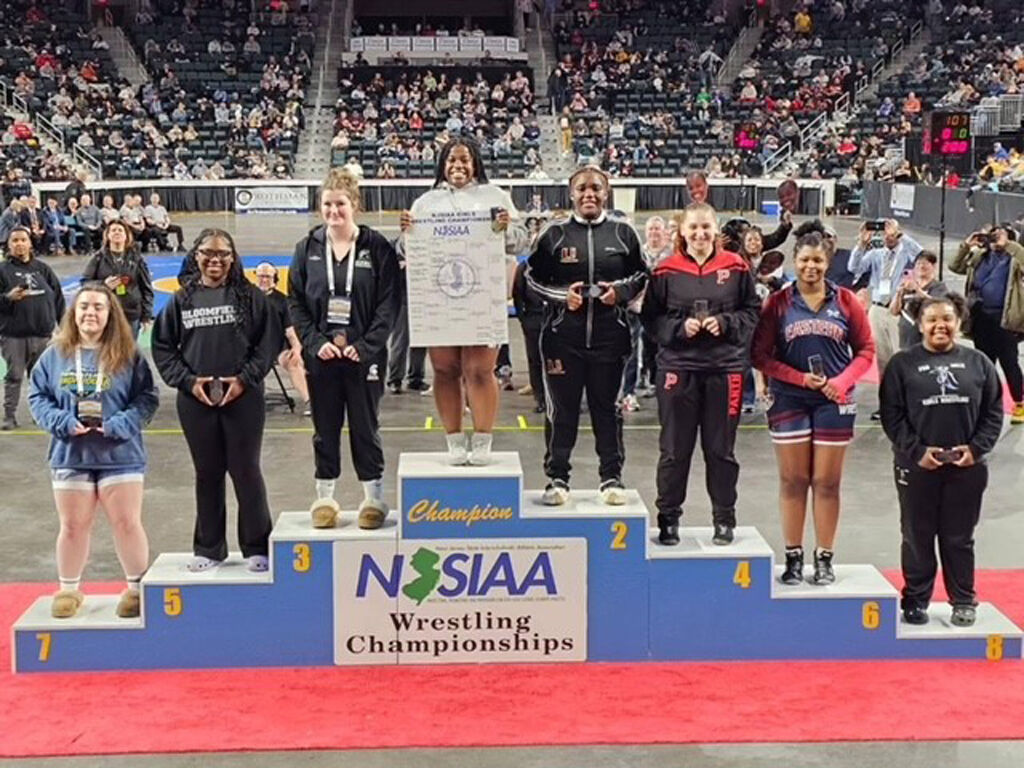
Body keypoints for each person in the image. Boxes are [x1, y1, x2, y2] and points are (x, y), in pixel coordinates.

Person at [28, 283, 159, 619]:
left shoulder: (128, 354)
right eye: (84, 306)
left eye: (99, 307)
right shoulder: (54, 354)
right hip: (71, 452)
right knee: (72, 525)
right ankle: (69, 590)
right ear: (74, 311)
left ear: (109, 313)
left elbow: (146, 398)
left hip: (120, 453)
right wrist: (60, 420)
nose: (90, 312)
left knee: (127, 523)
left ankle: (135, 589)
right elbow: (37, 397)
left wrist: (120, 424)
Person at [752, 232, 876, 583]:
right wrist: (797, 378)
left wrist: (842, 382)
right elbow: (759, 356)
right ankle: (793, 555)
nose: (810, 266)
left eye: (818, 260)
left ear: (828, 262)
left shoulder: (847, 301)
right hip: (790, 398)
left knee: (826, 482)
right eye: (804, 259)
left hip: (833, 401)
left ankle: (824, 557)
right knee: (793, 480)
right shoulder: (777, 303)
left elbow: (866, 350)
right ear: (795, 260)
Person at [152, 228, 276, 573]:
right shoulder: (181, 299)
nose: (215, 259)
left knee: (246, 470)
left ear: (233, 259)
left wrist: (244, 380)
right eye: (208, 252)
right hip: (195, 401)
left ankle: (257, 545)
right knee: (207, 473)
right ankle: (208, 548)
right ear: (196, 256)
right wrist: (189, 383)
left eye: (222, 254)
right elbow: (163, 348)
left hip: (243, 399)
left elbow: (266, 347)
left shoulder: (251, 297)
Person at [400, 138, 528, 465]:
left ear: (476, 164)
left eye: (465, 160)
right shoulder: (426, 202)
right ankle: (454, 439)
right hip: (438, 296)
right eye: (451, 160)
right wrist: (406, 234)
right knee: (444, 369)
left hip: (482, 295)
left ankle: (483, 438)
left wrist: (506, 228)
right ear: (442, 164)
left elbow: (520, 240)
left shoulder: (496, 196)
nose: (458, 166)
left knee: (480, 369)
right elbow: (406, 249)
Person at [880, 294, 1004, 626]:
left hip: (967, 468)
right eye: (932, 319)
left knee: (959, 536)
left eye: (947, 319)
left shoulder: (979, 363)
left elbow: (993, 413)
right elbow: (892, 416)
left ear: (959, 322)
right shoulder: (901, 364)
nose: (940, 325)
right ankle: (916, 599)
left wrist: (975, 450)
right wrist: (917, 451)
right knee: (917, 534)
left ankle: (963, 599)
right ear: (920, 324)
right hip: (916, 466)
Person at [527, 166, 648, 506]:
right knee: (561, 412)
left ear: (606, 192)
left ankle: (611, 477)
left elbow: (641, 274)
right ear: (572, 194)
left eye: (595, 188)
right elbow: (531, 281)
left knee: (607, 410)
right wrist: (561, 297)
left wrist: (620, 293)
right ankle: (557, 478)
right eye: (582, 189)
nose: (589, 194)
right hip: (561, 341)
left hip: (611, 341)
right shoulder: (554, 235)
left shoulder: (624, 233)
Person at [641, 203, 760, 546]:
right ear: (682, 231)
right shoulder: (664, 271)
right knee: (674, 450)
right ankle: (668, 518)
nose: (700, 234)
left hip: (725, 371)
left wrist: (725, 323)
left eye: (706, 227)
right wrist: (679, 328)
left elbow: (752, 312)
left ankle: (724, 519)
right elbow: (651, 319)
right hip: (678, 370)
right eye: (693, 228)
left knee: (721, 450)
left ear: (716, 229)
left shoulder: (736, 267)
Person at [289, 170, 400, 529]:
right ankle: (325, 498)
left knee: (365, 427)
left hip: (363, 357)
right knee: (325, 427)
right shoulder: (307, 249)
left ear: (355, 204)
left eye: (341, 204)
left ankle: (374, 499)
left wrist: (366, 347)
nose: (333, 210)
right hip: (321, 357)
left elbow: (389, 303)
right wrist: (315, 343)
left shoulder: (377, 246)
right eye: (327, 204)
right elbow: (295, 303)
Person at [949, 225, 1024, 423]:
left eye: (1000, 235)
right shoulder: (979, 257)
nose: (995, 239)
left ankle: (1019, 403)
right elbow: (954, 267)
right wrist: (966, 246)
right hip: (980, 318)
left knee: (1010, 363)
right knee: (984, 362)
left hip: (1005, 318)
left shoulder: (1014, 259)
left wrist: (1009, 245)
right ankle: (988, 401)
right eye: (993, 235)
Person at [848, 219, 922, 419]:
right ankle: (886, 405)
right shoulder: (876, 255)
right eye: (884, 233)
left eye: (891, 233)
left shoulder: (906, 252)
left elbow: (921, 254)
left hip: (899, 309)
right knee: (883, 360)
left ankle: (906, 405)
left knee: (901, 358)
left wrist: (900, 235)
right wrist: (862, 243)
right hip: (878, 309)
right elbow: (853, 267)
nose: (887, 236)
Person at [0, 227, 65, 430]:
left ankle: (41, 414)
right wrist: (7, 298)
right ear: (9, 245)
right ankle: (9, 416)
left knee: (42, 378)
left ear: (30, 243)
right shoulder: (2, 271)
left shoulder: (43, 269)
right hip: (14, 336)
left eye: (23, 240)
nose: (19, 244)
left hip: (43, 335)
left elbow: (58, 297)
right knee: (14, 376)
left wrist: (64, 326)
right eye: (15, 240)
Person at [81, 221, 155, 338]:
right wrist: (103, 285)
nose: (117, 233)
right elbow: (85, 283)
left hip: (131, 314)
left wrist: (146, 316)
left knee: (129, 353)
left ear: (126, 236)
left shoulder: (137, 259)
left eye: (120, 230)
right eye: (113, 230)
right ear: (107, 235)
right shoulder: (98, 258)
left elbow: (146, 288)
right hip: (106, 314)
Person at [254, 262, 309, 410]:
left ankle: (309, 401)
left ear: (275, 279)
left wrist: (297, 349)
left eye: (268, 276)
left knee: (295, 362)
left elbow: (290, 332)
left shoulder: (283, 301)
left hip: (277, 348)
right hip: (252, 348)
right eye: (261, 276)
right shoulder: (249, 298)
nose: (264, 280)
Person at [890, 251, 948, 350]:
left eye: (925, 263)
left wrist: (917, 290)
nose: (921, 266)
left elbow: (936, 305)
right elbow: (894, 311)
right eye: (918, 264)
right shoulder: (908, 286)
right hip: (906, 339)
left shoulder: (938, 286)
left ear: (933, 266)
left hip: (927, 337)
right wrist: (899, 293)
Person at [511, 257, 545, 413]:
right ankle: (540, 398)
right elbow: (517, 293)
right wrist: (523, 318)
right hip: (533, 317)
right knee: (535, 359)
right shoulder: (525, 268)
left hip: (557, 317)